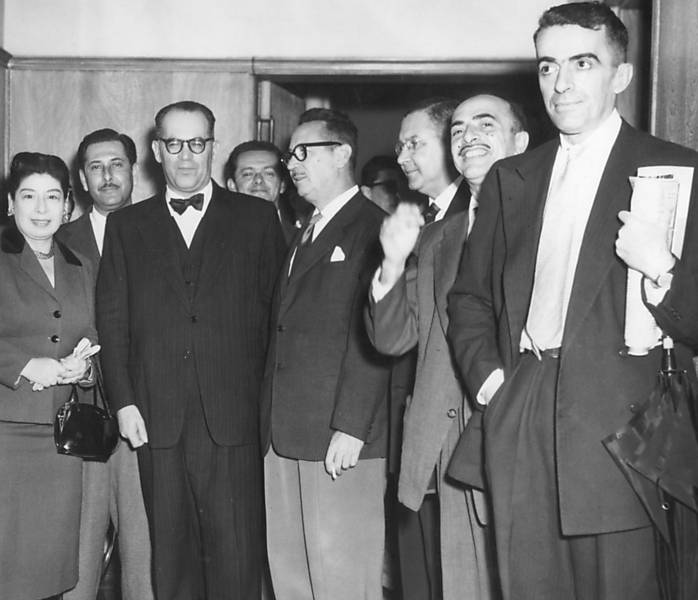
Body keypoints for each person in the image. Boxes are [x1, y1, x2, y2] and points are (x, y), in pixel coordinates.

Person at [448, 3, 698, 598]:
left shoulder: (676, 171)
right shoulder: (512, 178)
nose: (560, 84)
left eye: (582, 63)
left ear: (620, 75)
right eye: (547, 66)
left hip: (624, 425)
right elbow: (470, 300)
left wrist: (661, 268)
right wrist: (492, 385)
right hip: (523, 406)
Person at [97, 100, 286, 600]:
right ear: (156, 150)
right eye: (174, 144)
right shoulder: (126, 226)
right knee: (172, 561)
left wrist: (264, 412)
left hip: (233, 420)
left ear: (212, 147)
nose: (186, 156)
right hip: (157, 417)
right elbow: (113, 324)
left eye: (197, 143)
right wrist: (124, 401)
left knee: (236, 559)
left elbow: (276, 322)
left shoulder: (258, 219)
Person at [368, 93, 528, 600]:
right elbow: (395, 338)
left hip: (517, 443)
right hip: (444, 449)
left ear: (521, 143)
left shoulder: (547, 224)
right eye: (457, 131)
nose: (468, 138)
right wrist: (391, 267)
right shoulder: (439, 235)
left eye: (486, 126)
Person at [0, 152, 97, 600]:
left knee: (44, 564)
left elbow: (88, 332)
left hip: (57, 437)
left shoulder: (81, 264)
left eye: (53, 197)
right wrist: (30, 366)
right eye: (29, 196)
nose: (41, 208)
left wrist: (82, 366)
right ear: (10, 203)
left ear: (68, 204)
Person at [262, 108, 391, 599]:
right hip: (284, 434)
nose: (291, 164)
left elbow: (379, 335)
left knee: (342, 579)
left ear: (341, 154)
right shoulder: (303, 231)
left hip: (339, 436)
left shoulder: (373, 228)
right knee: (292, 575)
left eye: (303, 152)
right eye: (288, 155)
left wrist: (353, 425)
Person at [56, 129, 154, 600]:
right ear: (82, 177)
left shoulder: (163, 231)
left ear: (134, 169)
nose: (108, 175)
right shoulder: (57, 238)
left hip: (145, 414)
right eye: (96, 166)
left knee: (145, 551)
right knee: (79, 549)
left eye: (117, 164)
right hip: (82, 413)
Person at [396, 99, 469, 223]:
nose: (400, 159)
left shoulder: (477, 212)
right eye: (401, 147)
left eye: (414, 143)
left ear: (449, 143)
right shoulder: (417, 220)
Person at [225, 140, 300, 243]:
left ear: (282, 185)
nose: (259, 180)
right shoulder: (215, 237)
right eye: (248, 174)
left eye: (268, 173)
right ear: (232, 186)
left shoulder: (300, 240)